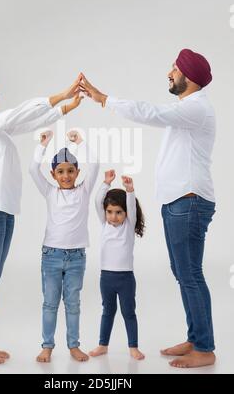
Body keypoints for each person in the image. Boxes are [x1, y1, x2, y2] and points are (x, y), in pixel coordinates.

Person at [79, 48, 216, 369]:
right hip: (179, 202)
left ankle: (205, 348)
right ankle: (196, 338)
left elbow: (148, 112)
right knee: (184, 275)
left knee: (190, 275)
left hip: (189, 202)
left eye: (175, 69)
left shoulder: (196, 108)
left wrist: (104, 99)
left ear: (189, 77)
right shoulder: (188, 108)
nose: (169, 73)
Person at [0, 74, 82, 365]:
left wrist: (64, 109)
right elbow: (18, 113)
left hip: (1, 211)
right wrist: (60, 94)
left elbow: (25, 122)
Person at [29, 129, 99, 362]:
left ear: (78, 172)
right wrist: (43, 145)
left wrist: (80, 142)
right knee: (50, 303)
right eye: (61, 171)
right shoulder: (50, 192)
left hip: (77, 257)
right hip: (51, 255)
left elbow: (95, 164)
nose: (66, 175)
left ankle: (73, 345)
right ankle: (47, 346)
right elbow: (32, 170)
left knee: (73, 303)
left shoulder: (84, 191)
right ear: (53, 174)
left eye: (71, 171)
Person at [89, 170, 145, 361]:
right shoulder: (104, 224)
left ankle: (133, 347)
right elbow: (97, 201)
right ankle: (102, 345)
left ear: (126, 214)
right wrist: (105, 183)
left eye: (119, 212)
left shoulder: (128, 226)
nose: (113, 217)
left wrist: (130, 190)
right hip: (106, 278)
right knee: (108, 311)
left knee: (128, 312)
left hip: (125, 279)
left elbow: (131, 205)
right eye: (110, 212)